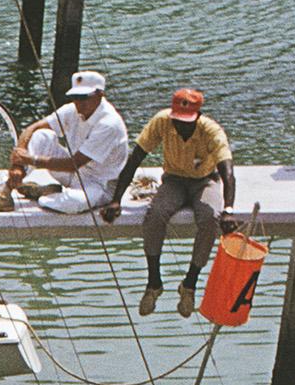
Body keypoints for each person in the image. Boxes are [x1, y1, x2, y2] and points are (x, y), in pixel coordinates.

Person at [101, 85, 237, 318]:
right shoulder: (162, 121)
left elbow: (227, 171)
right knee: (155, 215)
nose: (181, 125)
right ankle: (154, 281)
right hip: (174, 180)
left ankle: (190, 283)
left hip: (205, 180)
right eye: (178, 120)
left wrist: (228, 209)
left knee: (209, 218)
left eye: (187, 121)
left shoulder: (211, 130)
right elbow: (135, 159)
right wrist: (116, 199)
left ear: (198, 117)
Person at [0, 69, 129, 217]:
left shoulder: (109, 124)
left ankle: (46, 194)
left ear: (100, 95)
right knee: (42, 135)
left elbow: (73, 164)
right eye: (75, 97)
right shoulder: (72, 109)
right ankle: (4, 192)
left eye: (84, 97)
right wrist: (17, 166)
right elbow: (32, 128)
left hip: (98, 185)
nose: (78, 102)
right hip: (74, 175)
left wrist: (30, 160)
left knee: (73, 203)